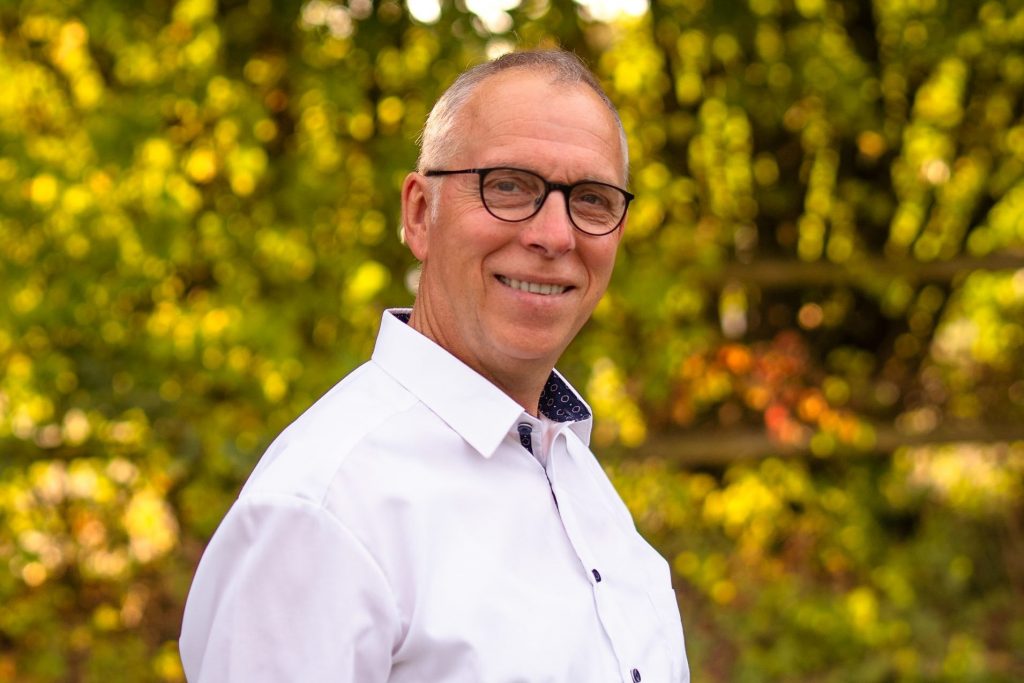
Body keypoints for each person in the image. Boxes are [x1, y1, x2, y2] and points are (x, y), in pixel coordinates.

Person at [179, 49, 690, 682]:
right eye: (509, 186)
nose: (556, 235)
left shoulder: (573, 472)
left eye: (591, 199)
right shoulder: (323, 512)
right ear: (420, 214)